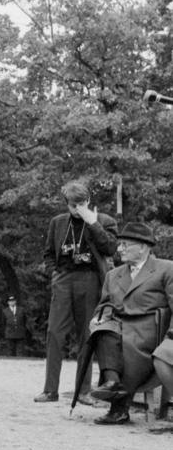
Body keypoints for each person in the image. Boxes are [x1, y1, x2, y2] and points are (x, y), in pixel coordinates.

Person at [35, 181, 117, 403]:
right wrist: (54, 273)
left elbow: (111, 248)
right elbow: (48, 253)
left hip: (90, 279)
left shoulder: (104, 221)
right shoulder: (58, 222)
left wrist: (93, 223)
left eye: (82, 204)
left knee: (86, 335)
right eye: (73, 205)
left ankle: (83, 391)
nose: (78, 209)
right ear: (66, 204)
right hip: (63, 279)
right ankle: (50, 390)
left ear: (89, 201)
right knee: (54, 333)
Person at [85, 223, 173, 426]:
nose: (119, 249)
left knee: (125, 344)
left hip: (150, 331)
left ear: (143, 247)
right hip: (119, 328)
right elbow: (105, 305)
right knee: (102, 331)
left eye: (125, 245)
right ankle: (112, 382)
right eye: (120, 245)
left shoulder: (166, 269)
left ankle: (118, 407)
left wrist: (171, 335)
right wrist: (99, 318)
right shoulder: (113, 275)